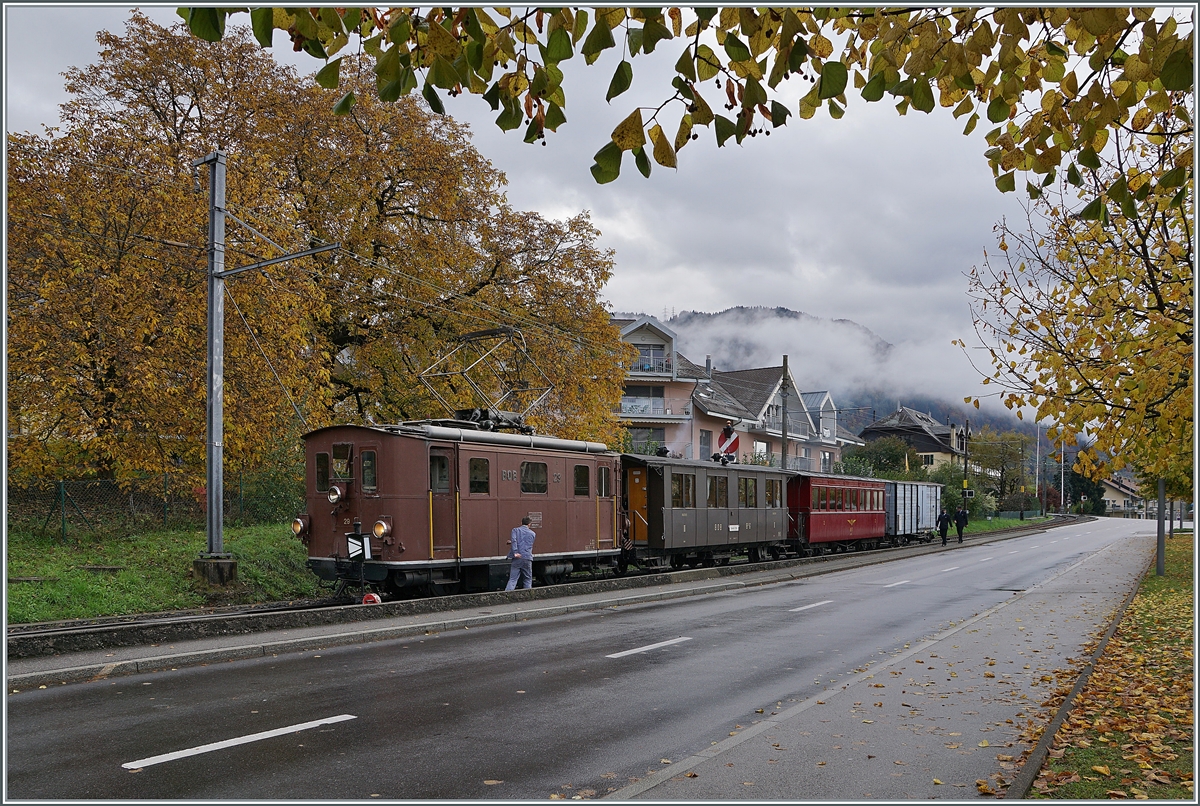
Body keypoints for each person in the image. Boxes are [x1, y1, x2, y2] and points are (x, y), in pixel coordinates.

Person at [505, 517, 537, 591]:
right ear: (529, 524)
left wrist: (515, 552)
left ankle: (507, 594)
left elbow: (515, 541)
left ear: (521, 523)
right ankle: (528, 595)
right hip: (527, 557)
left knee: (513, 579)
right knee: (528, 579)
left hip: (517, 558)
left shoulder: (515, 530)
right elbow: (526, 543)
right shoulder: (533, 534)